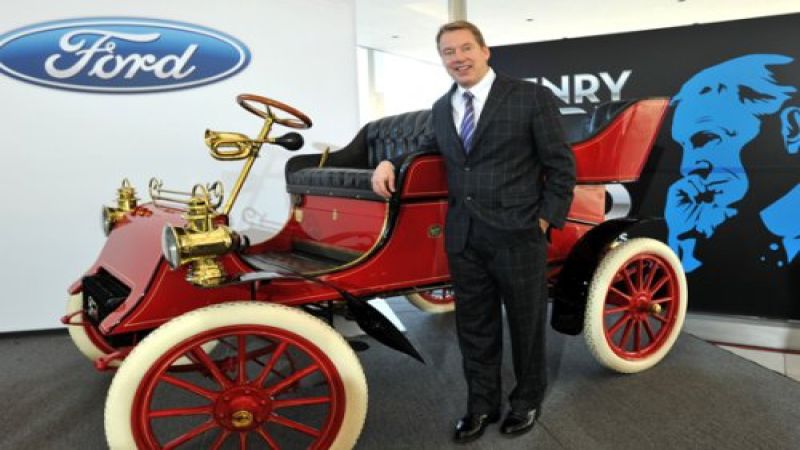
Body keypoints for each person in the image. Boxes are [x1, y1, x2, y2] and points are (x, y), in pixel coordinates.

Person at [371, 20, 575, 443]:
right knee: (474, 327)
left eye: (465, 48)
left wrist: (543, 220)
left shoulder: (530, 97)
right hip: (464, 236)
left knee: (526, 325)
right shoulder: (442, 106)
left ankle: (527, 400)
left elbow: (560, 166)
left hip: (518, 234)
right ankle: (482, 404)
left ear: (485, 51)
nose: (458, 58)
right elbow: (429, 147)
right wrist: (389, 162)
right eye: (448, 52)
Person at [665, 54, 800, 275]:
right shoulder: (727, 236)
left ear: (793, 128)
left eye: (706, 138)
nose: (687, 167)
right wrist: (684, 242)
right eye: (683, 146)